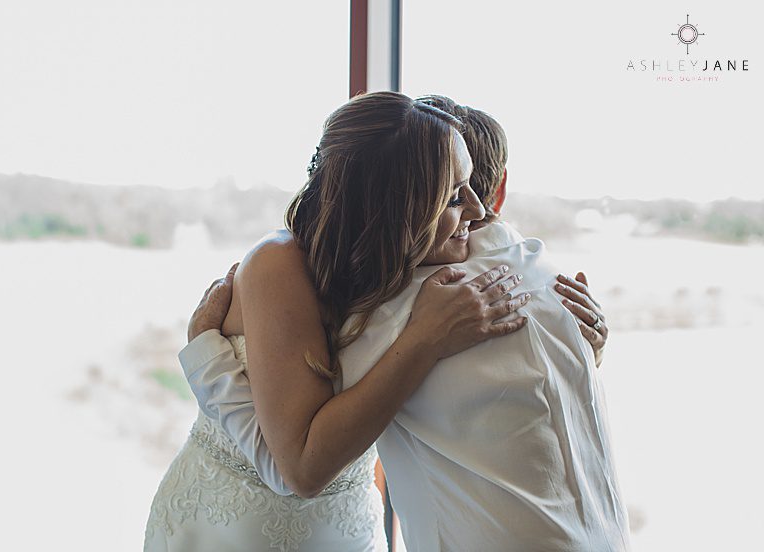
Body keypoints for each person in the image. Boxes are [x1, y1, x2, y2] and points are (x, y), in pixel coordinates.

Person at [181, 96, 629, 550]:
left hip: (351, 522)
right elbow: (297, 465)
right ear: (394, 205)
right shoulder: (284, 267)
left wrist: (570, 341)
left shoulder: (417, 284)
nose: (478, 214)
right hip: (232, 524)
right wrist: (205, 358)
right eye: (454, 194)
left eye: (470, 187)